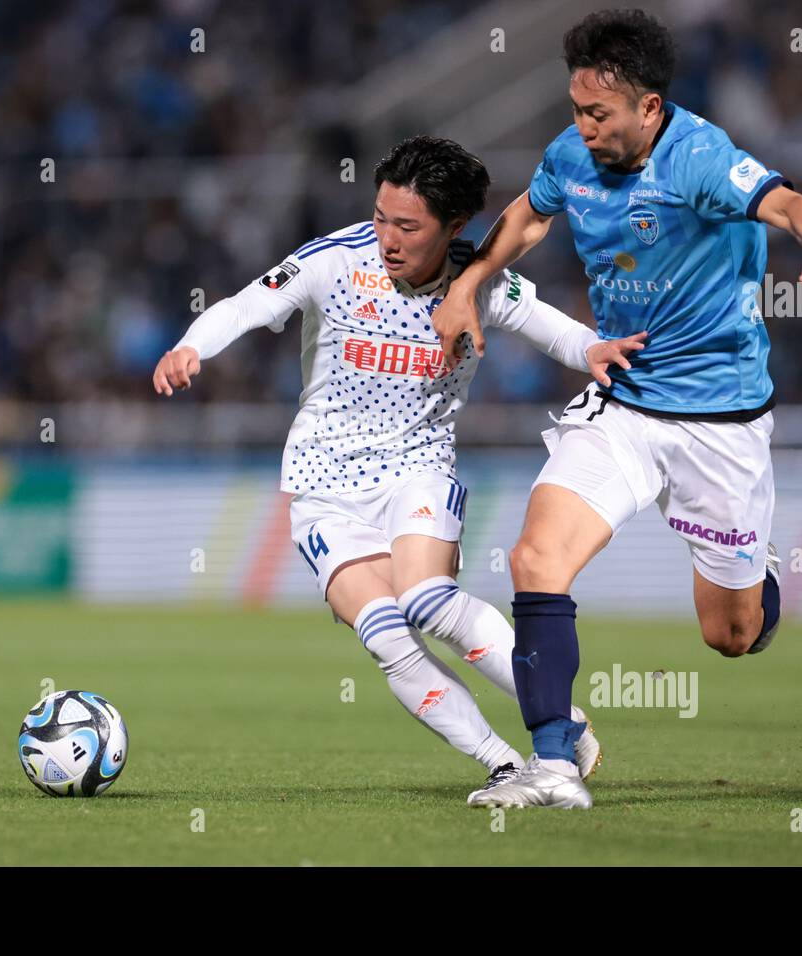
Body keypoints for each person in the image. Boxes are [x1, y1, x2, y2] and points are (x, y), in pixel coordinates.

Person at [430, 10, 802, 809]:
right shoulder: (572, 156)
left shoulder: (699, 158)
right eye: (576, 110)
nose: (583, 128)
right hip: (624, 401)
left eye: (600, 114)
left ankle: (755, 570)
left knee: (729, 636)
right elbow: (526, 215)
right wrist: (464, 287)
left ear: (650, 108)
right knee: (535, 561)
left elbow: (788, 205)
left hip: (719, 423)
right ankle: (554, 765)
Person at [154, 136, 645, 795]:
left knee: (424, 599)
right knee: (386, 634)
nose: (387, 236)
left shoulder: (479, 278)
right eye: (382, 216)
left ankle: (556, 719)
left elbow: (549, 325)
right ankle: (504, 762)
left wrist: (592, 349)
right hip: (322, 486)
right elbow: (248, 303)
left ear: (454, 227)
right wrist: (191, 346)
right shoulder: (334, 261)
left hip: (416, 471)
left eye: (407, 225)